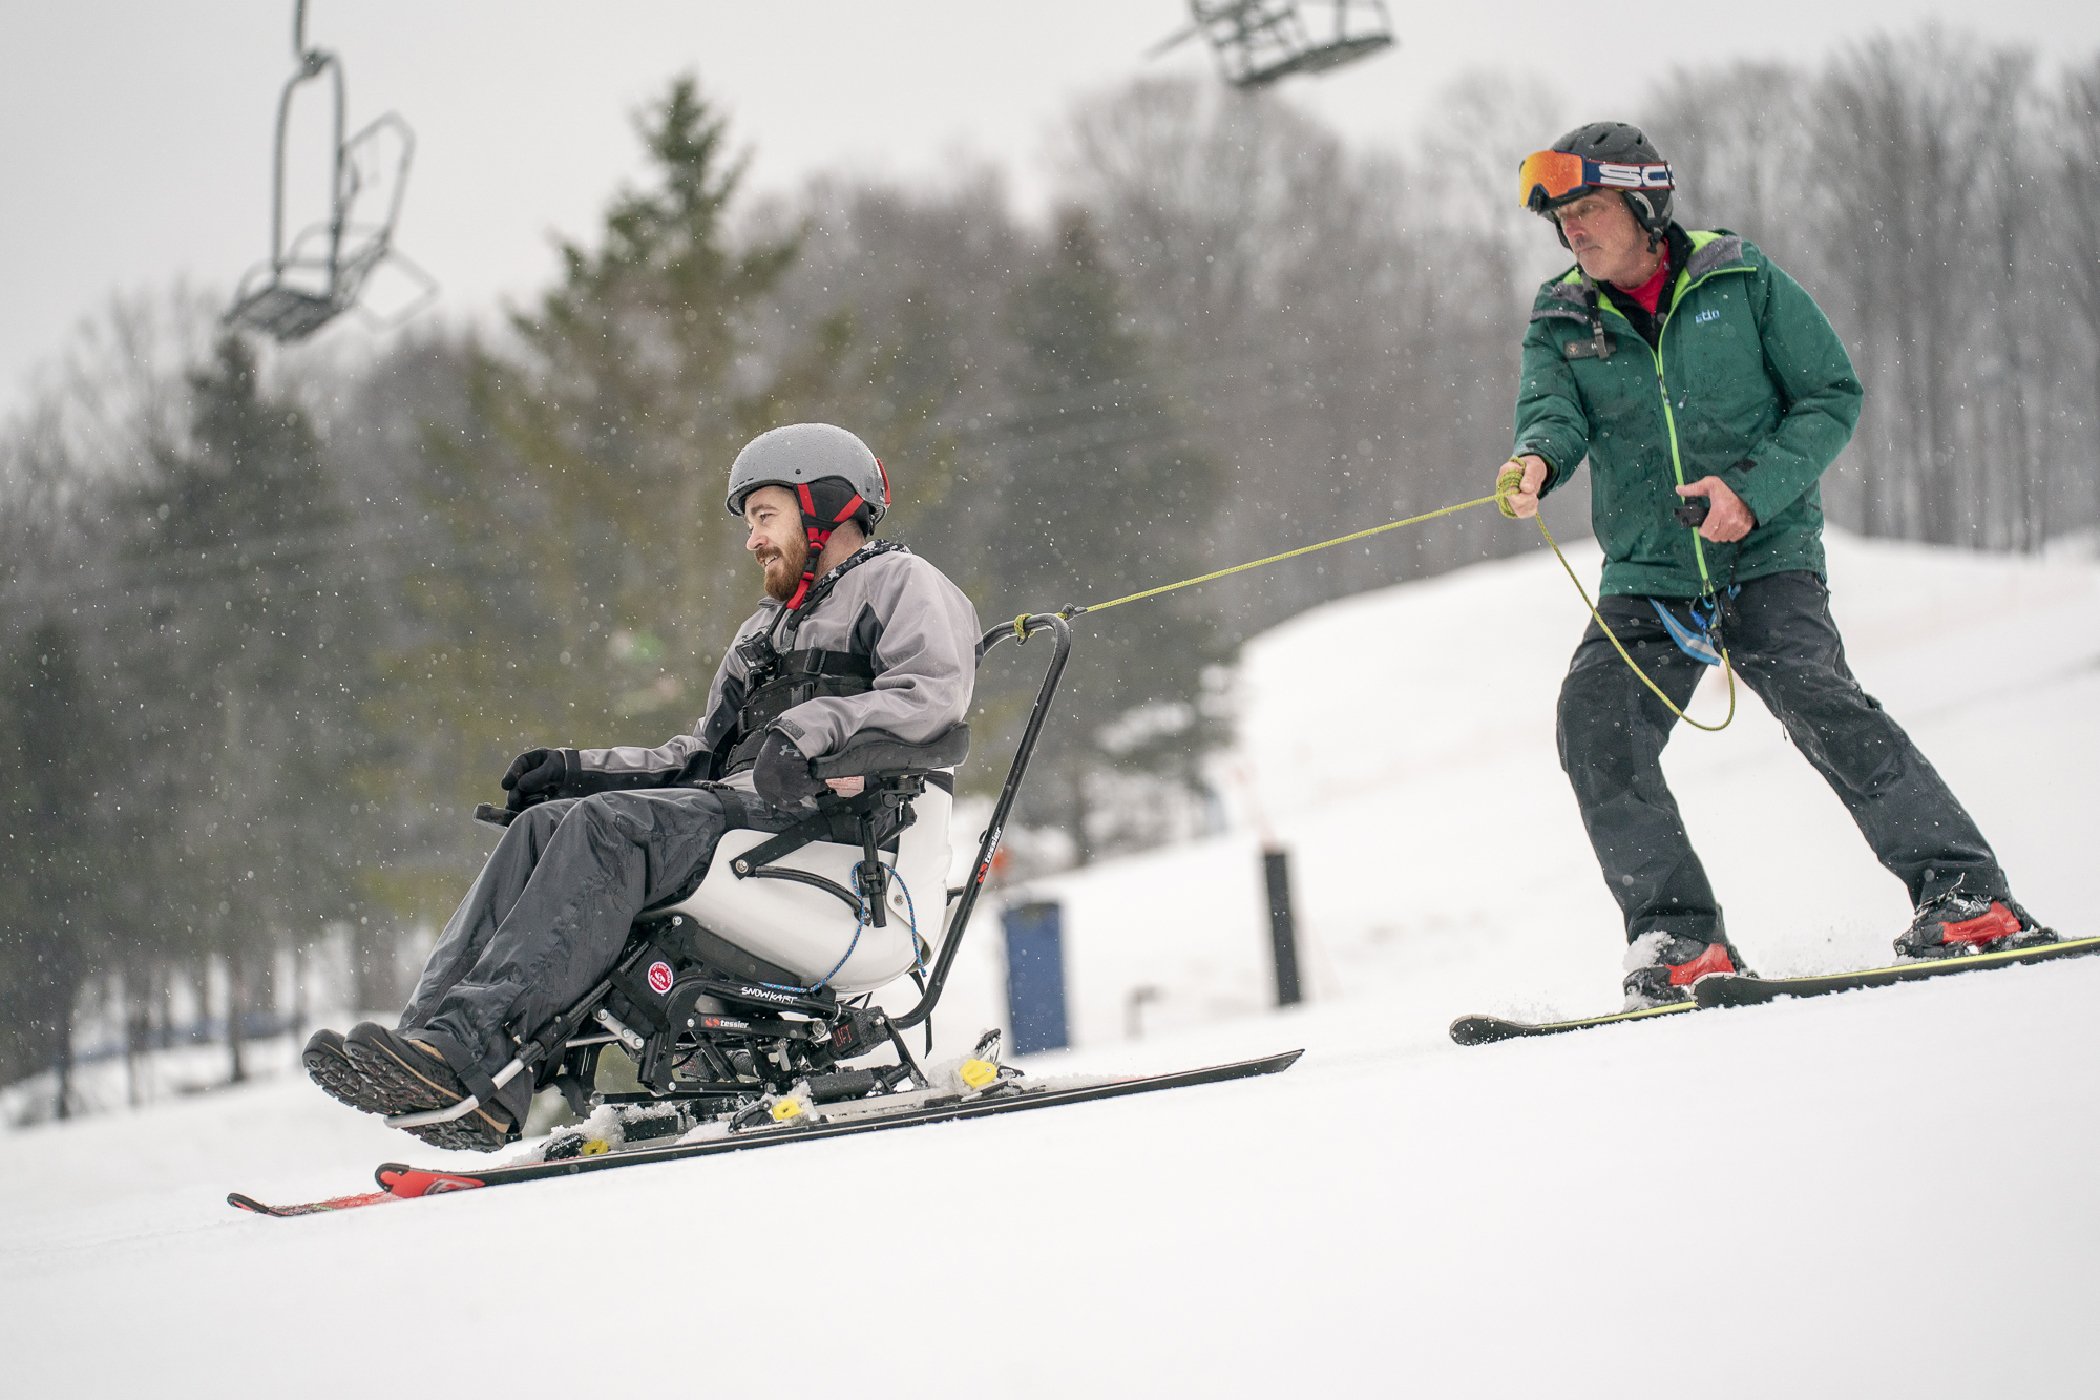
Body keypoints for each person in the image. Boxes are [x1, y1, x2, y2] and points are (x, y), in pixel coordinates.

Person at [1496, 121, 2054, 1009]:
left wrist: (1750, 492)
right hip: (1649, 575)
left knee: (1812, 691)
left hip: (1764, 552)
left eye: (1590, 209)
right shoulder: (1562, 313)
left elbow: (1831, 395)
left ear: (1645, 206)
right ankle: (1681, 938)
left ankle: (1966, 896)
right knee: (1595, 721)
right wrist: (1536, 460)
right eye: (1562, 218)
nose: (1574, 232)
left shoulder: (1742, 280)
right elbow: (1551, 412)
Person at [304, 423, 982, 1147]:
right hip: (741, 821)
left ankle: (477, 1056)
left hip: (842, 847)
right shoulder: (763, 631)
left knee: (606, 828)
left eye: (765, 516)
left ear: (827, 505)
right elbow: (697, 754)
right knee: (550, 821)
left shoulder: (902, 584)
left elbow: (930, 697)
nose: (753, 540)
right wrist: (578, 769)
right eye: (750, 523)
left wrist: (805, 734)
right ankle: (434, 1048)